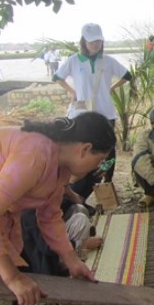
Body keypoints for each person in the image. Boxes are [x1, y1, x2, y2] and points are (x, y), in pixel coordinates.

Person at [0, 112, 116, 305]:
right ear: (85, 148)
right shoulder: (36, 154)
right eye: (100, 160)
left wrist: (71, 260)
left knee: (23, 291)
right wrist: (12, 278)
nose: (98, 167)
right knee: (11, 292)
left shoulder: (59, 166)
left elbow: (49, 215)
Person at [54, 23, 132, 200]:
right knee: (84, 152)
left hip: (105, 113)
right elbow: (57, 77)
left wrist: (111, 87)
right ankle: (80, 187)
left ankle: (106, 182)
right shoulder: (74, 60)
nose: (95, 45)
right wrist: (71, 91)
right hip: (82, 115)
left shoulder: (108, 61)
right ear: (84, 41)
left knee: (108, 152)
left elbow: (127, 75)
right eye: (92, 42)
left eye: (98, 41)